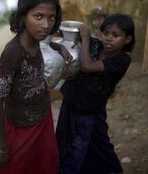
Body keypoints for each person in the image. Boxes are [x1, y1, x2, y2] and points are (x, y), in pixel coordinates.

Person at [0, 0, 72, 174]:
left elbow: (48, 39)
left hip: (43, 120)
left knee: (44, 166)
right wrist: (2, 148)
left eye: (51, 18)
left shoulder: (38, 41)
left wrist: (57, 47)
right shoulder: (13, 53)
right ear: (22, 17)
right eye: (38, 16)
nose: (46, 25)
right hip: (20, 128)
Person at [56, 13, 135, 174]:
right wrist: (61, 44)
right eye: (106, 33)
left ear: (127, 39)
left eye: (115, 35)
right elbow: (64, 39)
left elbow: (87, 66)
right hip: (71, 102)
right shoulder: (95, 45)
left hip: (92, 110)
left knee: (99, 144)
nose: (108, 38)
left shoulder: (122, 59)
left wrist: (85, 38)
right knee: (65, 141)